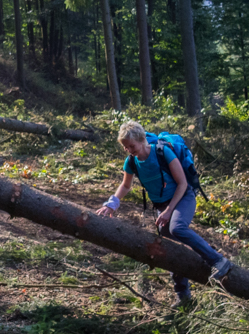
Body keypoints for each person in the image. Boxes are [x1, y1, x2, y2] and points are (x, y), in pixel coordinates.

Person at [95, 120, 231, 304]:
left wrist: (168, 211)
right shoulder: (132, 162)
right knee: (170, 248)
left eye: (131, 146)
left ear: (142, 140)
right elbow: (125, 185)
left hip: (183, 197)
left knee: (177, 228)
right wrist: (111, 204)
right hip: (162, 205)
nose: (128, 150)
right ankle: (183, 296)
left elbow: (182, 184)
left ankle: (219, 261)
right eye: (125, 147)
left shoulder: (162, 152)